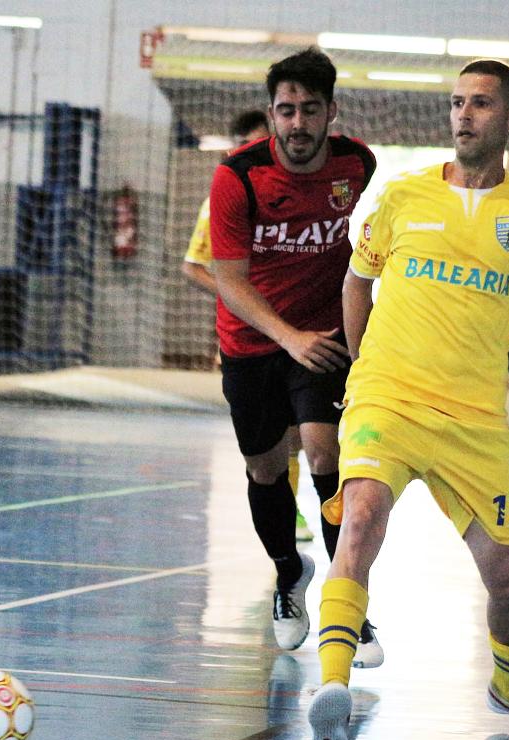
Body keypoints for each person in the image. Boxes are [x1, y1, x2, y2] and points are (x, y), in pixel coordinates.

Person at [307, 59, 509, 740]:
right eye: (456, 103)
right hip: (388, 401)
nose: (463, 115)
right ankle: (331, 687)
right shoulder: (401, 197)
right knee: (360, 521)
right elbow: (357, 284)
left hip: (473, 422)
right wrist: (364, 371)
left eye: (480, 104)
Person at [208, 47, 382, 665]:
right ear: (271, 115)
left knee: (325, 452)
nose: (298, 123)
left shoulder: (358, 165)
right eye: (286, 110)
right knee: (264, 469)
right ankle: (289, 574)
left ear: (331, 112)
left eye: (310, 109)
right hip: (253, 342)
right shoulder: (238, 176)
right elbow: (228, 279)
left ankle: (347, 604)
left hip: (324, 337)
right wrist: (287, 337)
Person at [182, 109, 315, 544]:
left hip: (293, 333)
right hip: (246, 341)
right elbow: (193, 266)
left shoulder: (296, 196)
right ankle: (280, 508)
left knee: (300, 432)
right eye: (247, 144)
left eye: (262, 142)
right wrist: (238, 296)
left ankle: (290, 509)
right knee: (269, 439)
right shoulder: (219, 202)